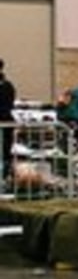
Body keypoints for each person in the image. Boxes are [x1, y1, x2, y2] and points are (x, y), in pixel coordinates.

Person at [0, 59, 13, 187]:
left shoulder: (6, 86)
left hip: (4, 123)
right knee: (5, 153)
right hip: (6, 121)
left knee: (4, 153)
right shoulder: (8, 85)